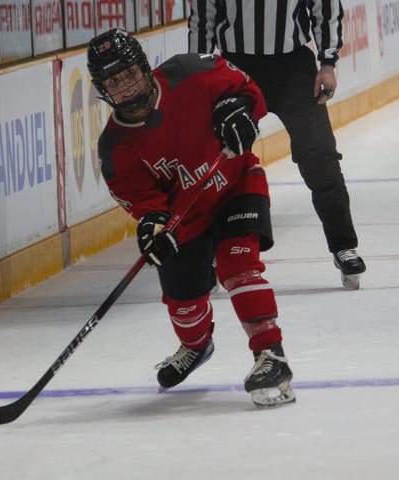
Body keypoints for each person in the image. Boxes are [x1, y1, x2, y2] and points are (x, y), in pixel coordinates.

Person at [87, 28, 295, 407]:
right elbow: (145, 203)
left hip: (235, 183)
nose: (125, 86)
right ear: (102, 90)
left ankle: (271, 355)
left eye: (129, 73)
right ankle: (196, 346)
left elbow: (248, 90)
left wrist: (239, 111)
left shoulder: (189, 72)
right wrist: (154, 227)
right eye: (113, 81)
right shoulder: (115, 147)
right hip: (186, 219)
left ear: (144, 68)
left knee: (238, 263)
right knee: (183, 300)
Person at [189, 0, 367, 290]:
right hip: (235, 68)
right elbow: (203, 17)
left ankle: (344, 246)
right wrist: (200, 74)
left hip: (293, 68)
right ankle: (209, 253)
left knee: (320, 156)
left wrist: (328, 62)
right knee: (221, 161)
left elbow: (325, 7)